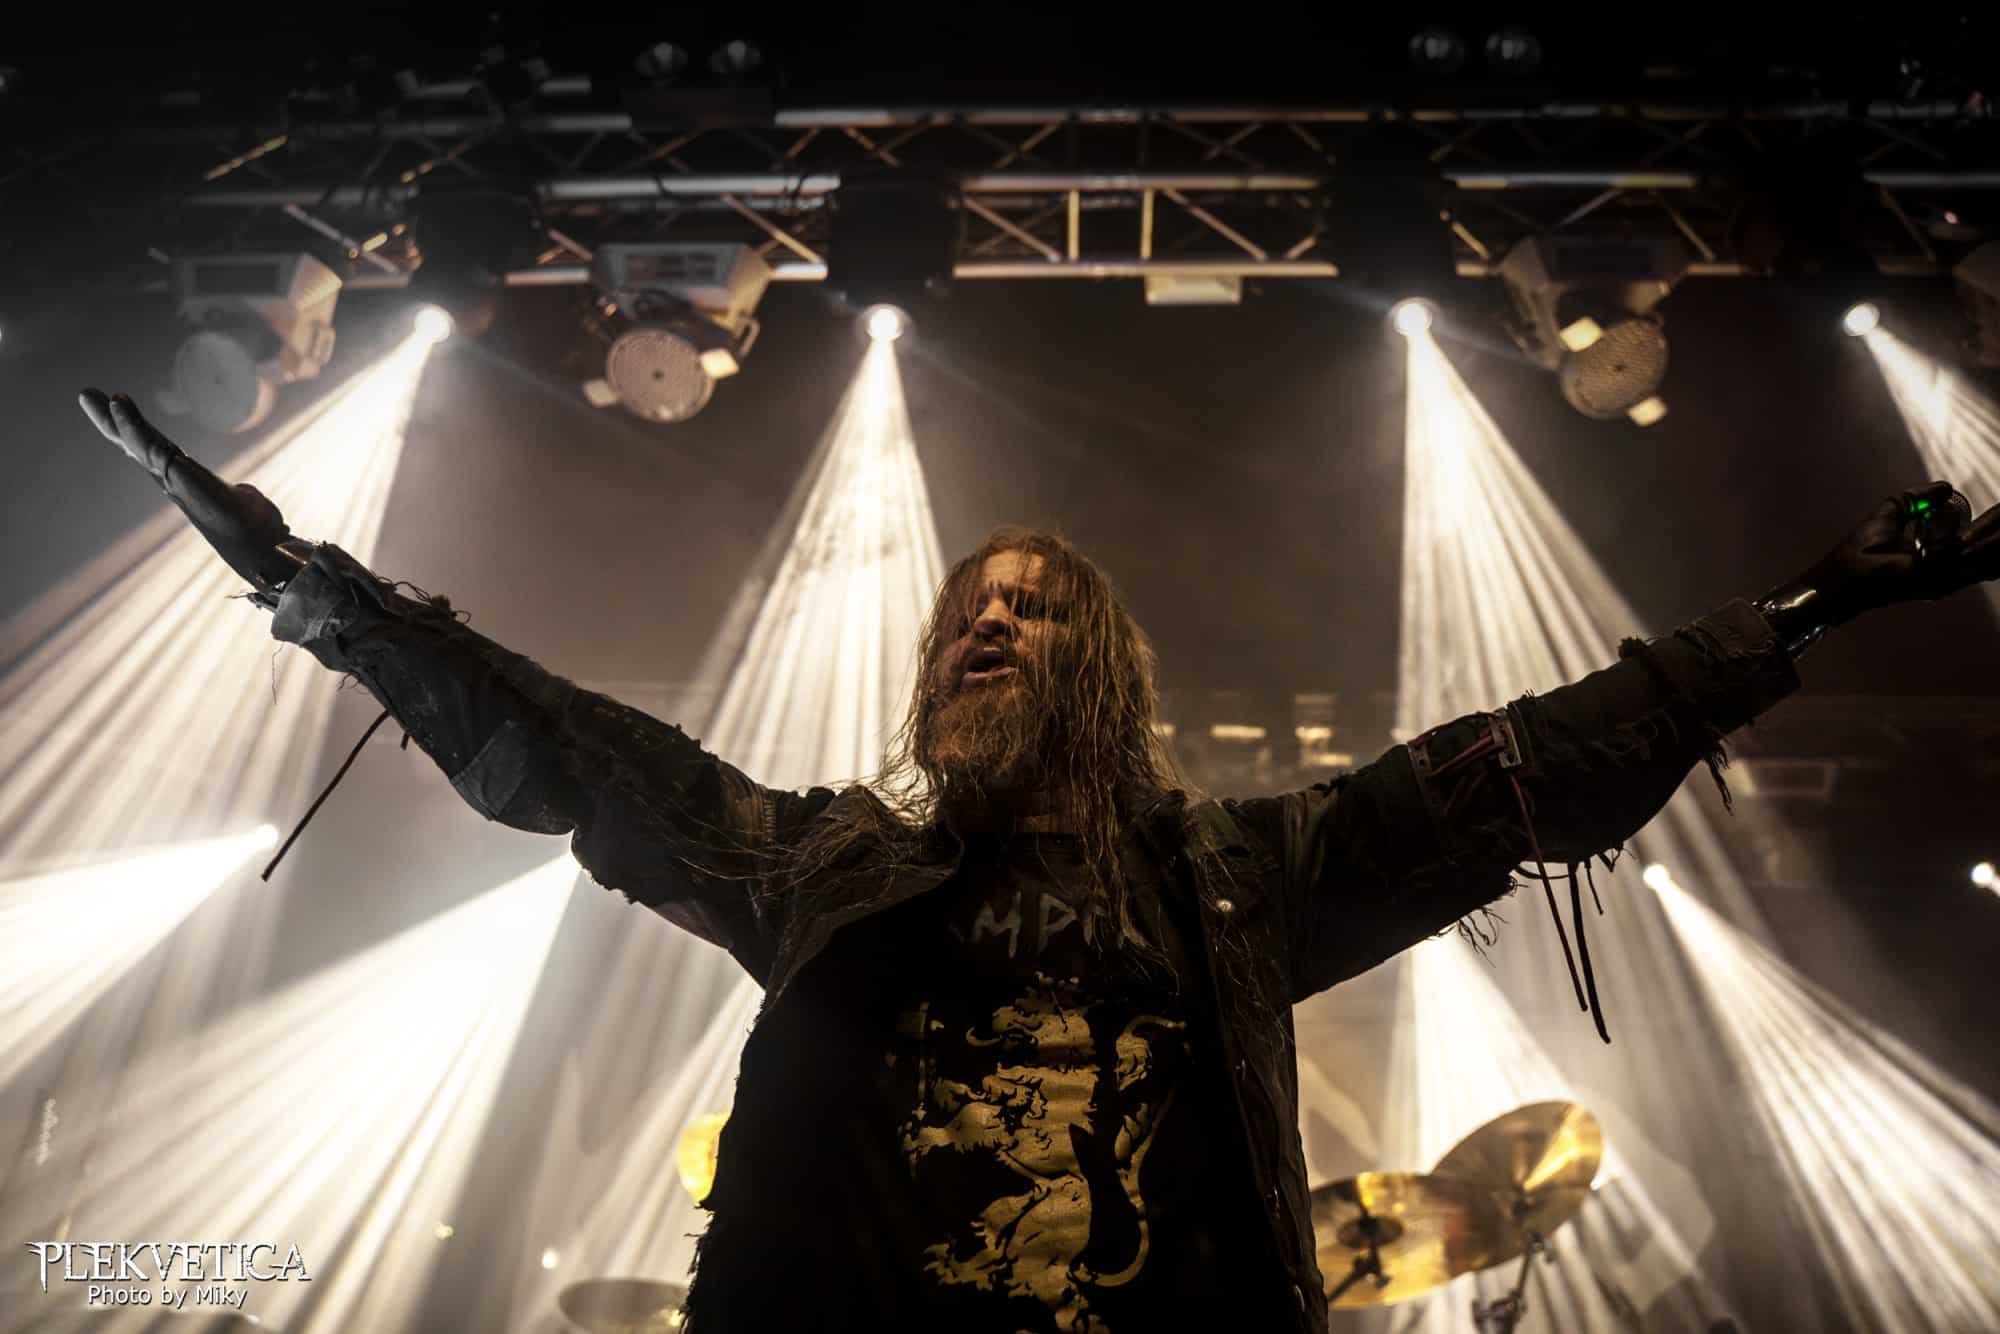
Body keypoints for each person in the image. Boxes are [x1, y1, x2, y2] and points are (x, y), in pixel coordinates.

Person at [78, 388, 1999, 1334]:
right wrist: (315, 589)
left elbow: (1529, 762)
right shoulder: (816, 864)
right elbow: (576, 747)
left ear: (1109, 671)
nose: (985, 622)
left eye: (1033, 607)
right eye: (962, 613)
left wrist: (1811, 604)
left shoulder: (1240, 877)